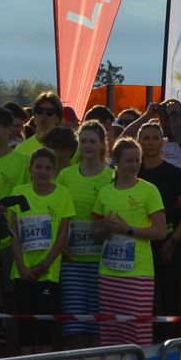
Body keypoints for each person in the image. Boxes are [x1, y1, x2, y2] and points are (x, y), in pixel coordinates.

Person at [94, 138, 166, 348]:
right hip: (108, 272)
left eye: (137, 160)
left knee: (137, 331)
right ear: (116, 161)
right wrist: (106, 229)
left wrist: (127, 230)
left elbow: (160, 231)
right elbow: (96, 235)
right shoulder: (105, 192)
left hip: (138, 273)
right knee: (110, 330)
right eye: (129, 161)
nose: (134, 165)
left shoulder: (149, 190)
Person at [4, 146, 75, 354]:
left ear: (54, 171)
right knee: (25, 328)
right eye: (38, 167)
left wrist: (44, 265)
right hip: (22, 272)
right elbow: (13, 232)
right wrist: (21, 266)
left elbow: (62, 235)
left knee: (45, 329)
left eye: (47, 168)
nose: (42, 171)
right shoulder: (19, 192)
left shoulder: (63, 194)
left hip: (48, 273)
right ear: (30, 169)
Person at [136, 120, 181, 335]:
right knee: (144, 299)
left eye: (155, 138)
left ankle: (170, 342)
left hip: (168, 245)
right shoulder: (133, 172)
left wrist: (172, 242)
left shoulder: (173, 173)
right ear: (138, 142)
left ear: (162, 142)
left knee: (170, 298)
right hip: (139, 245)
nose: (150, 142)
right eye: (145, 138)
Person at [58, 122, 113, 344]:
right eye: (83, 141)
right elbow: (58, 214)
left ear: (102, 145)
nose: (88, 146)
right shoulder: (65, 175)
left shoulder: (112, 176)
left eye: (92, 141)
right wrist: (62, 247)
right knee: (74, 322)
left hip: (103, 261)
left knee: (99, 324)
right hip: (72, 260)